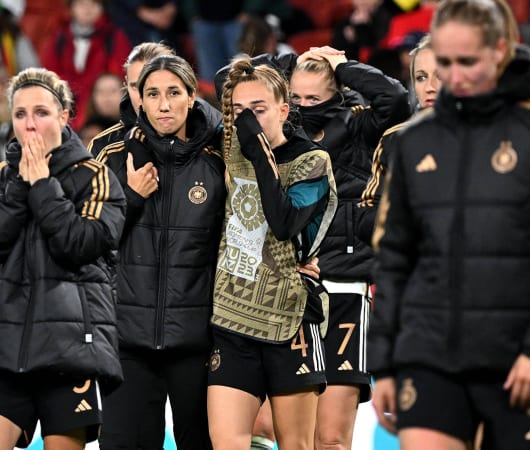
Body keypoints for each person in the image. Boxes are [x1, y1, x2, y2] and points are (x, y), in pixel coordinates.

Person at [368, 1, 530, 449]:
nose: (453, 77)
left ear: (500, 51)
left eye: (467, 62)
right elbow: (395, 258)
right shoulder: (415, 140)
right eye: (444, 64)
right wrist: (386, 363)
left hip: (521, 361)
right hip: (429, 355)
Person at [0, 67, 125, 449]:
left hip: (71, 348)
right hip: (5, 344)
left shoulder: (94, 175)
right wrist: (20, 184)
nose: (30, 124)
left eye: (41, 112)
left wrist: (43, 185)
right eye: (20, 114)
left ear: (64, 116)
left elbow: (81, 244)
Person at [94, 54, 223, 450]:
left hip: (198, 341)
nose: (163, 104)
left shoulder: (219, 161)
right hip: (127, 341)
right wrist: (131, 198)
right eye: (152, 94)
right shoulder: (113, 157)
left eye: (173, 93)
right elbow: (89, 242)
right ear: (140, 102)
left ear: (191, 97)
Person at [208, 56, 337, 450]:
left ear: (284, 110)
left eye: (259, 109)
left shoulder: (312, 161)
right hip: (231, 316)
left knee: (296, 444)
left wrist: (258, 150)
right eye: (239, 112)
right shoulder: (226, 153)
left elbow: (283, 222)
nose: (247, 120)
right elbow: (219, 82)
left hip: (292, 319)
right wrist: (250, 75)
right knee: (227, 443)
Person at [288, 45, 408, 450]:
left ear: (337, 94)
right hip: (290, 291)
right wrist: (290, 62)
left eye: (314, 98)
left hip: (345, 289)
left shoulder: (361, 127)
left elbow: (395, 99)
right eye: (296, 98)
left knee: (333, 439)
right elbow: (226, 83)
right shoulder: (281, 130)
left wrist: (343, 66)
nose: (303, 107)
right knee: (283, 435)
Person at [359, 34, 440, 241]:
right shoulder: (395, 139)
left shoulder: (486, 137)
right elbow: (367, 216)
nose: (430, 87)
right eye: (421, 77)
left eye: (439, 75)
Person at [41, 0, 131, 130]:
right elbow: (49, 79)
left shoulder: (114, 38)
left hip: (103, 116)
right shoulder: (59, 39)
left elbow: (120, 76)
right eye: (81, 4)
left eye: (94, 4)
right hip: (66, 117)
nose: (87, 9)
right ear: (71, 8)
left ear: (102, 8)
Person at [87, 42, 175, 158]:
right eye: (135, 86)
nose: (143, 96)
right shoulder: (103, 147)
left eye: (152, 86)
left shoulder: (202, 144)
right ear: (126, 86)